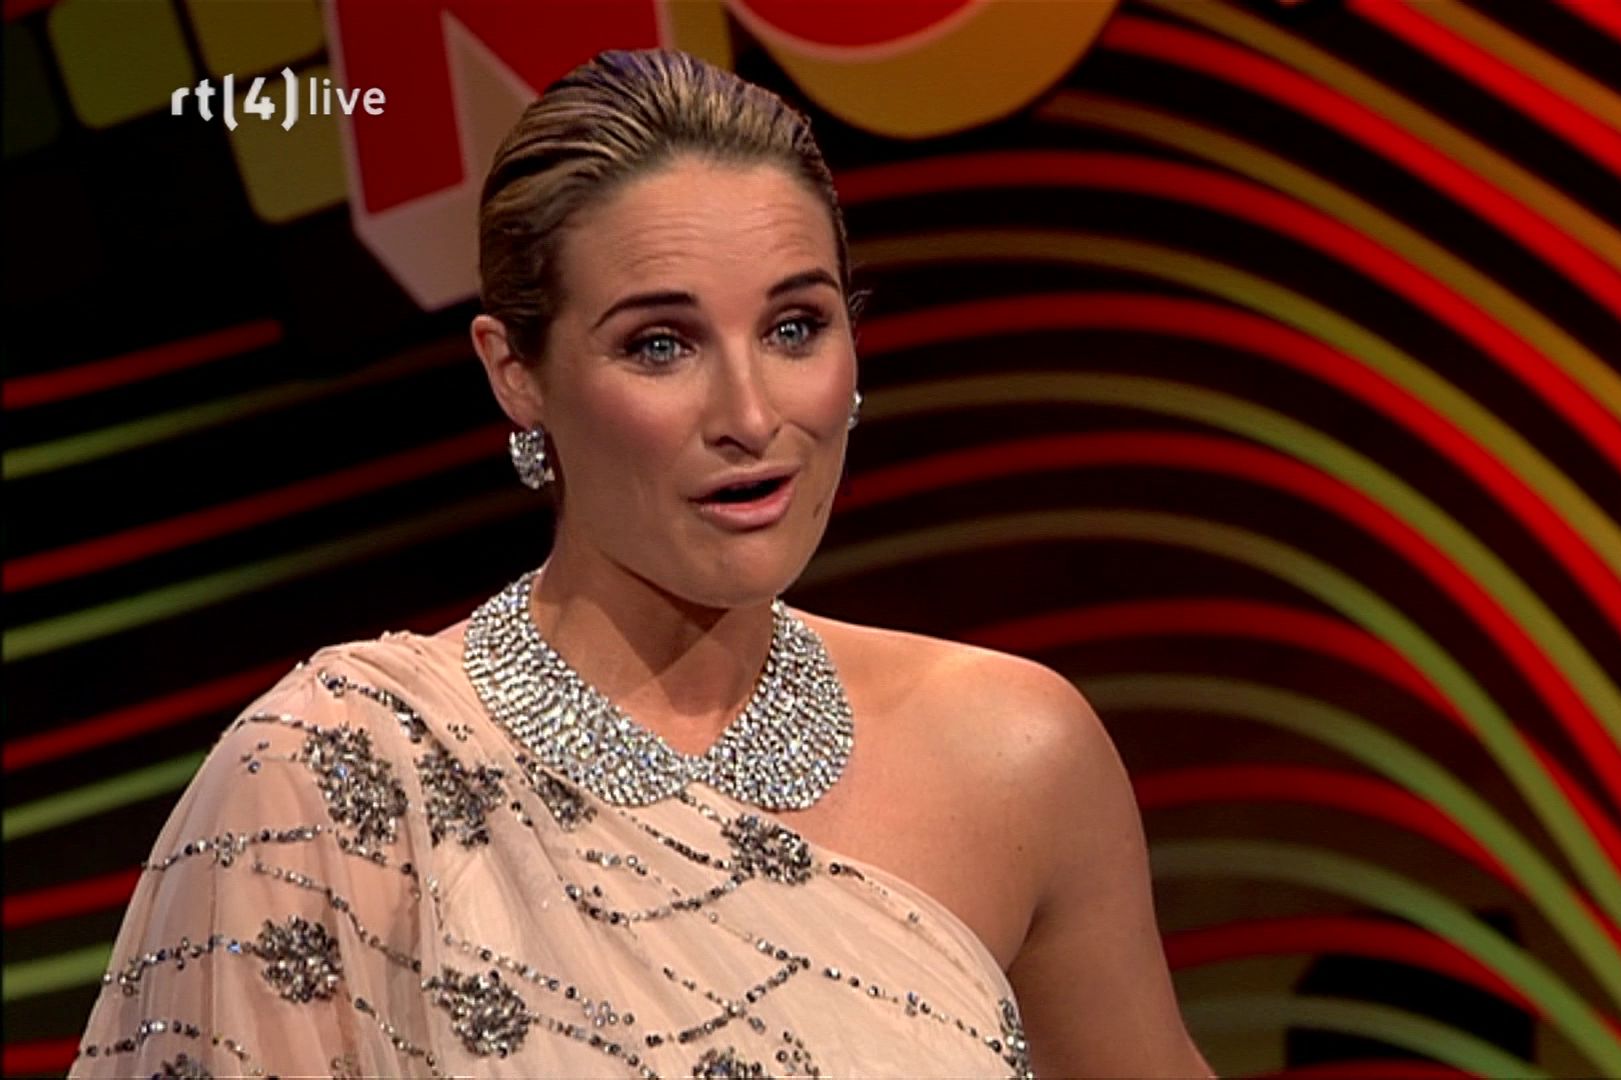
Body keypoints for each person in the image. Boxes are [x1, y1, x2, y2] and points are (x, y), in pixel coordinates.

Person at [72, 48, 1212, 1078]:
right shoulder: (337, 775)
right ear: (515, 372)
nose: (751, 415)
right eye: (660, 344)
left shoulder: (1016, 756)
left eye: (795, 327)